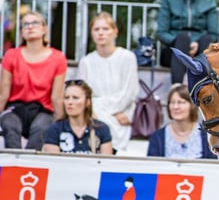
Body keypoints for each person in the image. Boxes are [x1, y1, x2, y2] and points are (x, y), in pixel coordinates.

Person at [0, 11, 67, 150]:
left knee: (41, 128)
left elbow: (57, 96)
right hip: (15, 108)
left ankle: (29, 165)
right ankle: (13, 165)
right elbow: (3, 94)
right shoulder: (11, 55)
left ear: (44, 29)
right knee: (10, 126)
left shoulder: (58, 58)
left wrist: (61, 122)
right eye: (25, 24)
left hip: (43, 110)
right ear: (22, 32)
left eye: (35, 23)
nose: (30, 27)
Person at [75, 12, 138, 154]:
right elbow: (83, 95)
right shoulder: (86, 62)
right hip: (95, 115)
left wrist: (111, 111)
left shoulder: (127, 57)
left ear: (115, 31)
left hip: (123, 113)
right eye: (96, 29)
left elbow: (129, 92)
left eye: (105, 29)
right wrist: (105, 113)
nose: (101, 33)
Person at [157, 0, 219, 84]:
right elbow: (162, 32)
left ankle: (204, 90)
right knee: (183, 37)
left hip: (200, 51)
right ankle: (176, 87)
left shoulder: (208, 0)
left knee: (207, 39)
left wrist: (195, 44)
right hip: (174, 52)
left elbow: (214, 34)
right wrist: (184, 45)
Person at [42, 79, 113, 154]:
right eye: (66, 98)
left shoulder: (102, 129)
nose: (70, 102)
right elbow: (53, 163)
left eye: (75, 98)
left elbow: (106, 163)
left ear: (87, 102)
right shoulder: (54, 130)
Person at [146, 83, 217, 159]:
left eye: (181, 102)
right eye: (172, 102)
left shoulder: (207, 136)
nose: (175, 107)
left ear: (192, 105)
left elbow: (212, 168)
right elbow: (152, 168)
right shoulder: (157, 137)